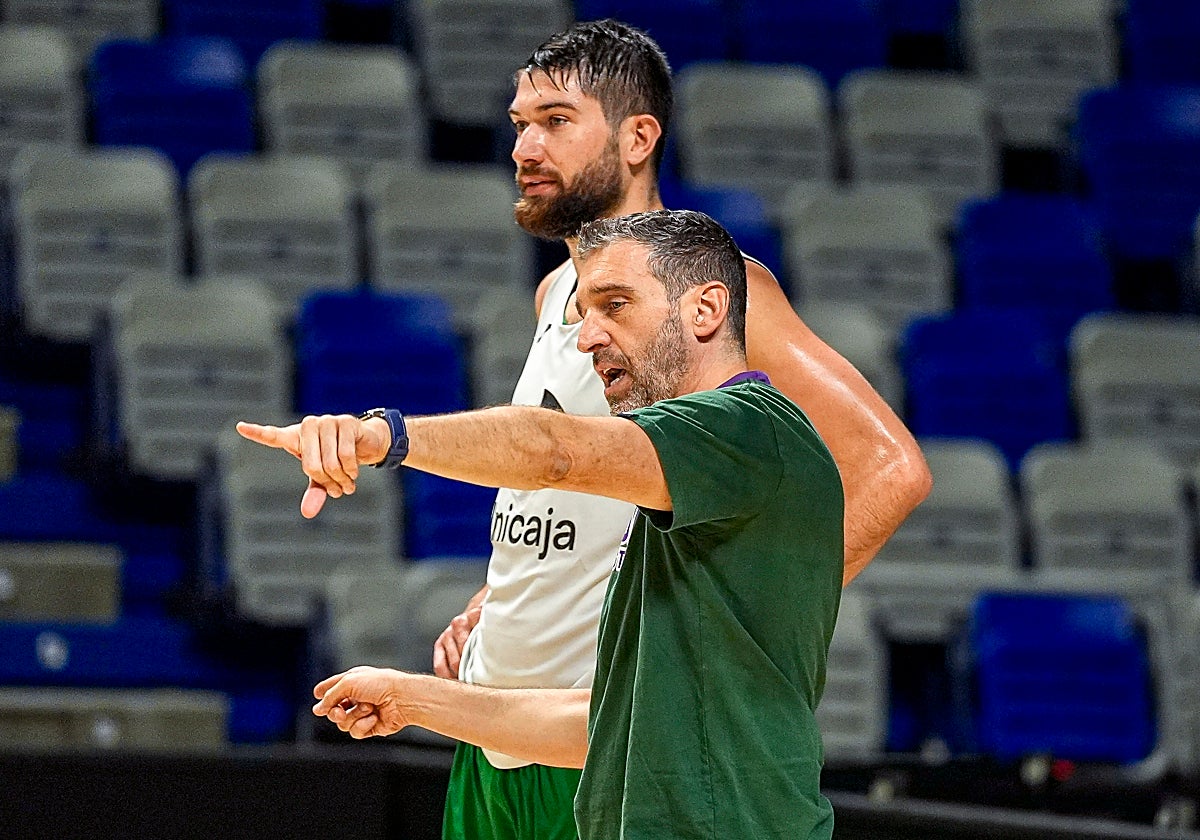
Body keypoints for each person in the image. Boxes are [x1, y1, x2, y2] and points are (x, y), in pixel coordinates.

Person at [424, 19, 929, 840]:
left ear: (638, 138)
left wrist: (756, 613)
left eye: (555, 121)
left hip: (603, 744)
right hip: (494, 734)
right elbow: (578, 490)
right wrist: (506, 596)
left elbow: (889, 467)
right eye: (519, 124)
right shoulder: (556, 293)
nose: (525, 148)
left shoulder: (718, 294)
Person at [238, 208, 846, 839]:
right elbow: (602, 726)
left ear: (706, 309)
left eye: (616, 306)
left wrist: (382, 436)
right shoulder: (687, 498)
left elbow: (553, 451)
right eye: (585, 312)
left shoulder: (748, 429)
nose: (586, 339)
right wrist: (410, 698)